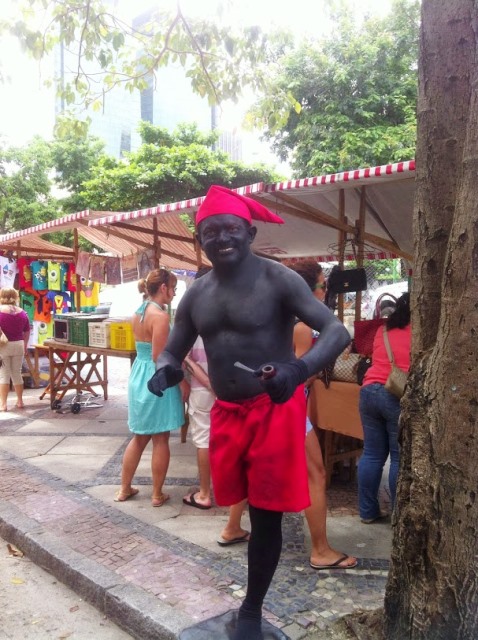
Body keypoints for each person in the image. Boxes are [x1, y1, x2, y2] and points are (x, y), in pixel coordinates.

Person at [148, 185, 351, 640]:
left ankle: (252, 611)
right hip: (227, 414)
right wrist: (164, 372)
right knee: (233, 504)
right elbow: (173, 350)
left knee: (266, 513)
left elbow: (336, 332)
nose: (222, 238)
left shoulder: (278, 279)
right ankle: (248, 607)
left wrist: (297, 370)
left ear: (250, 232)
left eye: (231, 229)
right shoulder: (197, 295)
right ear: (200, 240)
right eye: (211, 231)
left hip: (273, 411)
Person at [289, 261, 357, 570]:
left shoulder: (286, 319)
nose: (325, 291)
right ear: (309, 290)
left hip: (281, 408)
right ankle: (320, 550)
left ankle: (232, 526)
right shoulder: (302, 326)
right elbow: (298, 375)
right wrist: (318, 370)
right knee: (315, 475)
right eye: (322, 285)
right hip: (290, 409)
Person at [182, 267, 250, 546]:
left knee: (203, 441)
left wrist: (207, 383)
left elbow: (186, 358)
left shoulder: (191, 316)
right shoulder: (232, 312)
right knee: (231, 444)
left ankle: (204, 493)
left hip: (204, 388)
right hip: (231, 388)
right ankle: (229, 498)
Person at [115, 269, 188, 507]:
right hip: (157, 377)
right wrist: (182, 381)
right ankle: (157, 493)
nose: (175, 293)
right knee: (161, 438)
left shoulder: (139, 312)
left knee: (139, 437)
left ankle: (124, 488)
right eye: (173, 288)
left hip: (139, 373)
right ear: (164, 288)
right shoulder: (161, 317)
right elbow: (160, 357)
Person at [358, 292, 411, 523]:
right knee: (398, 458)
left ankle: (367, 512)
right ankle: (396, 517)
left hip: (368, 391)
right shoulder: (420, 332)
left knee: (371, 455)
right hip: (394, 394)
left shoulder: (383, 329)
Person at [0, 287, 30, 411]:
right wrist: (25, 345)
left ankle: (3, 404)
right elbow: (27, 331)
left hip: (3, 345)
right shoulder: (22, 312)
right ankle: (20, 401)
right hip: (19, 345)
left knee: (4, 375)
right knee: (17, 374)